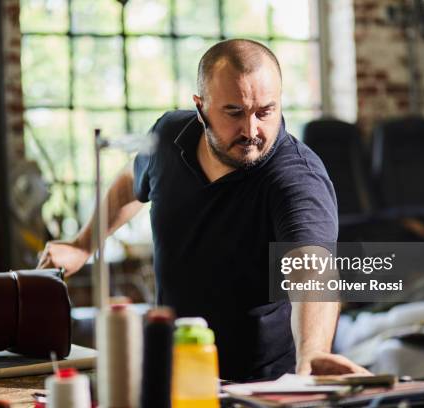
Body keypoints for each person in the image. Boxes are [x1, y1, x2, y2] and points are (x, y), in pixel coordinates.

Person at [37, 39, 369, 381]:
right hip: (172, 368)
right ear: (200, 107)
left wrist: (313, 354)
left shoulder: (297, 179)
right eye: (234, 112)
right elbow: (132, 180)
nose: (252, 130)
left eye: (265, 111)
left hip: (257, 386)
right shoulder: (169, 136)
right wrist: (82, 245)